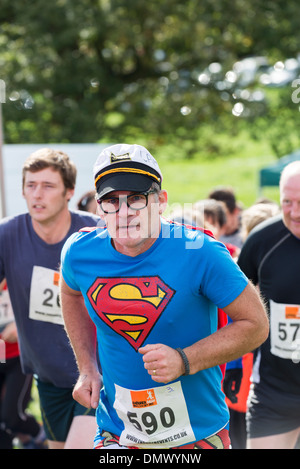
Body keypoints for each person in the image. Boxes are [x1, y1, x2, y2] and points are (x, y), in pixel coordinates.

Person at [59, 143, 268, 450]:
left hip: (196, 435)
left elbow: (256, 324)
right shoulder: (80, 252)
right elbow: (69, 292)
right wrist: (87, 367)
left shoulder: (200, 252)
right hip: (117, 433)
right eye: (111, 201)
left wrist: (185, 359)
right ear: (99, 207)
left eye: (136, 198)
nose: (124, 212)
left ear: (161, 202)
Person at [0, 148, 101, 449]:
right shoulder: (7, 235)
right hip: (48, 376)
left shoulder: (94, 234)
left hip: (98, 373)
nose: (37, 195)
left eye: (48, 186)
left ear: (69, 191)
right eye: (31, 185)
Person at [238, 161, 300, 449]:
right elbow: (234, 307)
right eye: (287, 202)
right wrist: (235, 364)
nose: (295, 212)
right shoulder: (262, 241)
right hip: (276, 392)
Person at [0, 279, 45, 449]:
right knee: (2, 425)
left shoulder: (16, 269)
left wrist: (19, 326)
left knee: (12, 416)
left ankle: (42, 436)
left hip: (19, 355)